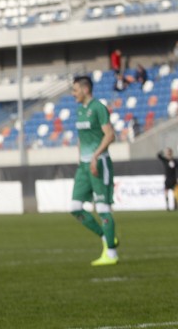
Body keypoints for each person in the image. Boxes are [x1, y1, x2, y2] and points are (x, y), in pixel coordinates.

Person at [70, 75, 119, 266]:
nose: (73, 93)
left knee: (103, 208)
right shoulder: (80, 111)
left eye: (75, 90)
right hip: (84, 166)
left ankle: (112, 254)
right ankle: (107, 237)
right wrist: (81, 157)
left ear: (85, 89)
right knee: (75, 208)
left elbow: (110, 135)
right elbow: (81, 138)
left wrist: (95, 156)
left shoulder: (98, 107)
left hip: (99, 163)